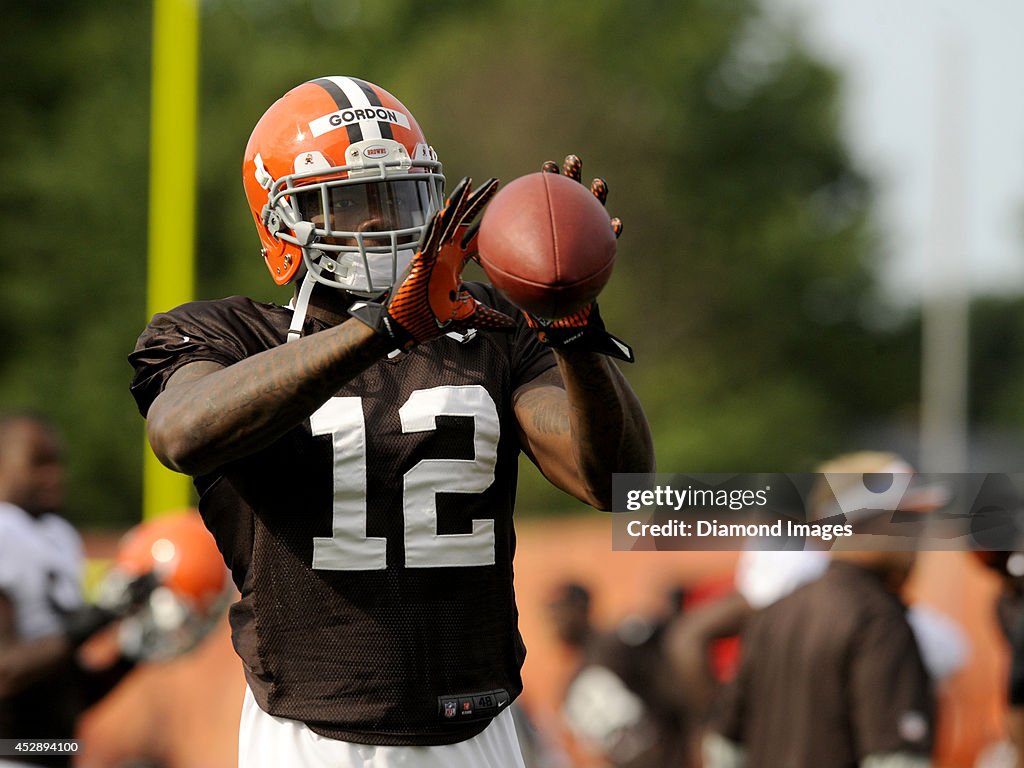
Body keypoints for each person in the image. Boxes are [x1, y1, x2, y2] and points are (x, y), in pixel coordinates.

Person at [128, 75, 654, 768]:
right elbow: (181, 433)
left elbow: (616, 479)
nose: (380, 220)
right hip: (315, 735)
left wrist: (574, 331)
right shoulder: (226, 334)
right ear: (282, 219)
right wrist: (384, 330)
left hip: (481, 729)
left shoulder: (491, 329)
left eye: (396, 195)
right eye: (348, 201)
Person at [701, 460, 939, 768]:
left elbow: (724, 746)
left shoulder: (776, 613)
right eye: (905, 519)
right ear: (861, 521)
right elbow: (897, 760)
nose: (919, 536)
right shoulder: (879, 619)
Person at [0, 412, 140, 768]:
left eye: (57, 463)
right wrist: (99, 615)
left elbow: (70, 689)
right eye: (39, 463)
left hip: (51, 754)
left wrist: (131, 654)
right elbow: (5, 672)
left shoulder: (57, 537)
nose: (55, 475)